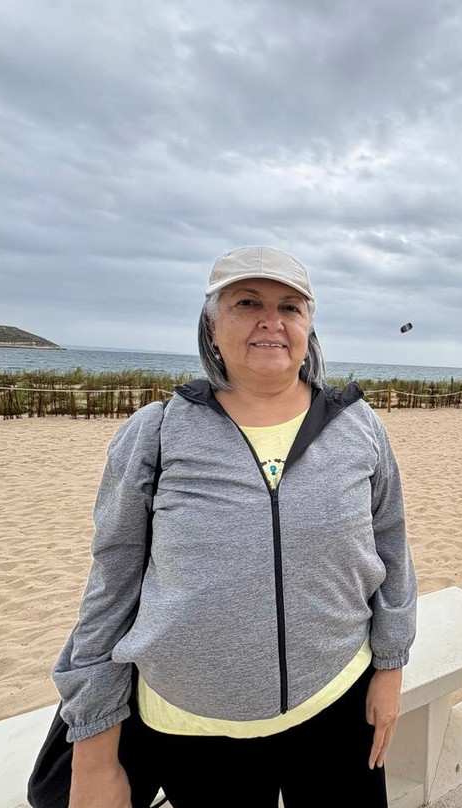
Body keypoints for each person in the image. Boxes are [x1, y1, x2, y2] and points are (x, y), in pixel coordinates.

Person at [52, 246, 417, 807]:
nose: (272, 321)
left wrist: (390, 669)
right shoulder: (157, 431)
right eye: (248, 303)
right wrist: (94, 753)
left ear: (309, 328)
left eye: (290, 307)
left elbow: (391, 546)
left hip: (340, 702)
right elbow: (112, 583)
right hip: (195, 727)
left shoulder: (356, 424)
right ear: (212, 326)